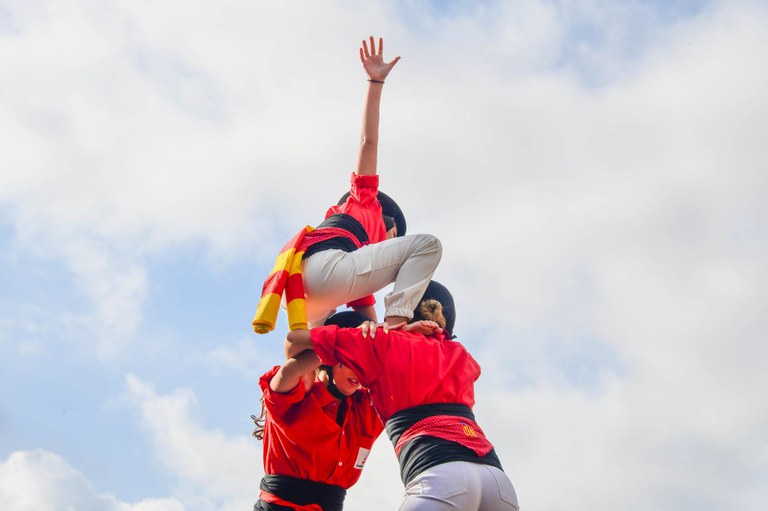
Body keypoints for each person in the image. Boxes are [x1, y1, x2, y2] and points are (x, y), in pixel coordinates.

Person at [284, 281, 520, 511]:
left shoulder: (380, 342)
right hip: (497, 480)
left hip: (438, 473)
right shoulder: (461, 354)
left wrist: (360, 333)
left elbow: (294, 340)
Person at [292, 36, 441, 327]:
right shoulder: (365, 203)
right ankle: (398, 325)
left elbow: (365, 315)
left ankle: (314, 368)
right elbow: (367, 143)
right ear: (392, 227)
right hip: (327, 269)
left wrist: (377, 333)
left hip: (300, 293)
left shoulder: (354, 254)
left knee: (318, 347)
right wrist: (375, 84)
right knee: (427, 245)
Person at [252, 310, 385, 511]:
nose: (360, 370)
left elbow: (400, 363)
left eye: (364, 362)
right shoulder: (298, 393)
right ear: (330, 359)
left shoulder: (366, 407)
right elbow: (289, 370)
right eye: (352, 360)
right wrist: (339, 343)